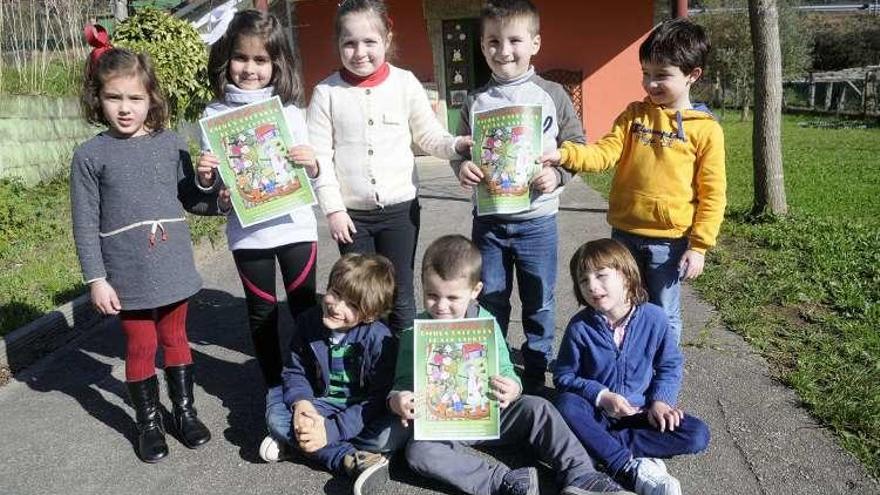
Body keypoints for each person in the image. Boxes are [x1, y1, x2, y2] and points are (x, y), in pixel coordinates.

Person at [387, 235, 633, 495]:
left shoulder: (487, 323)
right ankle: (505, 482)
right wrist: (398, 399)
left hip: (492, 414)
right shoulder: (414, 332)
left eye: (452, 297)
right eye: (432, 295)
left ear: (475, 291)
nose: (441, 306)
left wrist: (513, 388)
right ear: (422, 287)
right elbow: (402, 381)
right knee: (418, 451)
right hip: (442, 425)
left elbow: (507, 370)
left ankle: (582, 474)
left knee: (539, 408)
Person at [70, 36, 215, 463]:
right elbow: (84, 223)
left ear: (152, 98)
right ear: (98, 98)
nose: (125, 107)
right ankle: (148, 422)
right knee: (139, 346)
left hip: (172, 265)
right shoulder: (89, 156)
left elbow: (194, 199)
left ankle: (184, 412)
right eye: (114, 97)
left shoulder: (171, 143)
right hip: (126, 273)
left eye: (135, 97)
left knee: (175, 337)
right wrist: (96, 279)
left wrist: (208, 182)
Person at [541, 18, 726, 345]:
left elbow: (713, 194)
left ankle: (662, 379)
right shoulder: (633, 116)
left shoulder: (705, 129)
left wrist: (699, 246)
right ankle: (624, 361)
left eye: (662, 76)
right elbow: (603, 154)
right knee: (621, 306)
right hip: (624, 235)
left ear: (692, 75)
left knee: (662, 312)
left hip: (668, 243)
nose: (651, 84)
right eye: (646, 74)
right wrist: (564, 154)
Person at [195, 9, 321, 462]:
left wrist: (311, 162)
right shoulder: (213, 116)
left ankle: (314, 384)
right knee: (262, 318)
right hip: (248, 235)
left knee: (306, 309)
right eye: (241, 58)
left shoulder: (290, 111)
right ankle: (274, 392)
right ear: (227, 59)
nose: (250, 68)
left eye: (261, 60)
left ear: (277, 64)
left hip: (295, 227)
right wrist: (207, 178)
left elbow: (314, 169)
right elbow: (215, 193)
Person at [308, 0, 470, 334]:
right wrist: (333, 210)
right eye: (349, 43)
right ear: (338, 44)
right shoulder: (326, 93)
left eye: (370, 41)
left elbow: (427, 134)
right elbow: (319, 157)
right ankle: (364, 365)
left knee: (400, 293)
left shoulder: (405, 82)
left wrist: (455, 146)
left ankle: (405, 368)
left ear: (387, 39)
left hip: (400, 212)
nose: (360, 52)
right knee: (358, 295)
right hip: (351, 217)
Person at [453, 0, 587, 393]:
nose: (503, 50)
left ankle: (535, 369)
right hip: (490, 220)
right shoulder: (474, 100)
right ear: (482, 45)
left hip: (537, 221)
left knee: (540, 300)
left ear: (535, 43)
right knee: (492, 297)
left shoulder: (553, 94)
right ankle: (497, 369)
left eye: (514, 40)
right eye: (493, 41)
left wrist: (558, 173)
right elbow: (461, 151)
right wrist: (462, 168)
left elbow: (576, 144)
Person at [554, 239, 711, 495]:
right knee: (565, 405)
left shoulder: (655, 318)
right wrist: (601, 396)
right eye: (583, 281)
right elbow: (564, 376)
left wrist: (661, 402)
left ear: (627, 277)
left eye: (601, 276)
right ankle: (629, 466)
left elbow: (670, 366)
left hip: (640, 414)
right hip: (596, 413)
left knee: (697, 434)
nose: (592, 286)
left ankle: (600, 449)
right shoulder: (580, 327)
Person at [273, 254, 399, 495]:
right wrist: (302, 406)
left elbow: (376, 400)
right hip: (322, 403)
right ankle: (350, 459)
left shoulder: (381, 339)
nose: (336, 306)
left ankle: (302, 443)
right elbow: (295, 371)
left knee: (391, 435)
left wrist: (330, 431)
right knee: (277, 420)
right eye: (335, 293)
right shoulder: (308, 322)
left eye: (352, 305)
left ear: (369, 315)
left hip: (362, 409)